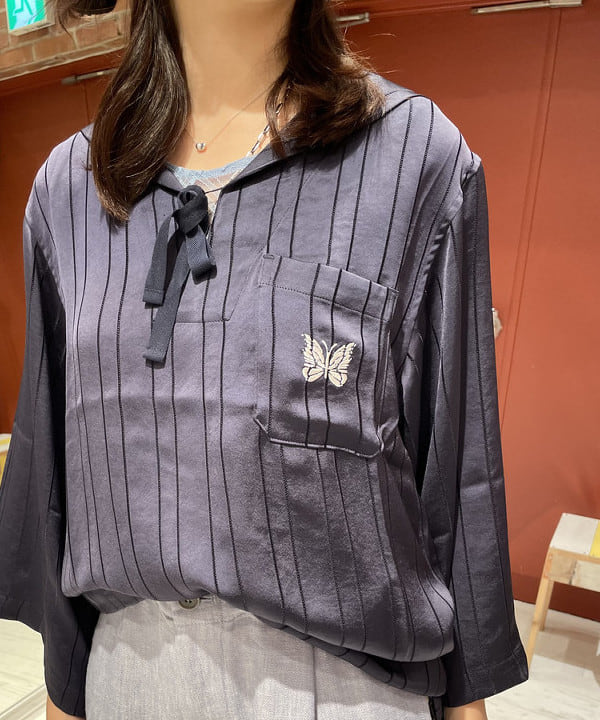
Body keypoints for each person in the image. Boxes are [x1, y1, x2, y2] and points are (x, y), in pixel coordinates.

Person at [0, 0, 529, 718]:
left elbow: (458, 471)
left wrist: (469, 702)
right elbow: (53, 470)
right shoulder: (70, 190)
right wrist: (65, 690)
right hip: (129, 675)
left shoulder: (414, 158)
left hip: (341, 688)